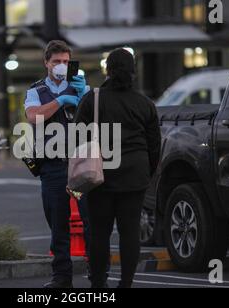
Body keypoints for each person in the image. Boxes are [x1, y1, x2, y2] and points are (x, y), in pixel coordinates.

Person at [75, 48, 162, 288]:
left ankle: (99, 284)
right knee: (130, 232)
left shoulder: (93, 99)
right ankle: (126, 283)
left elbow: (76, 137)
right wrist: (147, 171)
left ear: (107, 70)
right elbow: (155, 145)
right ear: (133, 71)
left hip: (99, 175)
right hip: (135, 174)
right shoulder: (145, 103)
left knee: (99, 233)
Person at [25, 40, 91, 288]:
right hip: (53, 166)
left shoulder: (81, 87)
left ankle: (97, 274)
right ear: (46, 63)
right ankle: (62, 278)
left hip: (81, 163)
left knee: (90, 220)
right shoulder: (36, 90)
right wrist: (61, 100)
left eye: (65, 61)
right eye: (56, 62)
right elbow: (33, 117)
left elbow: (98, 117)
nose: (61, 66)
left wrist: (83, 95)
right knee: (58, 224)